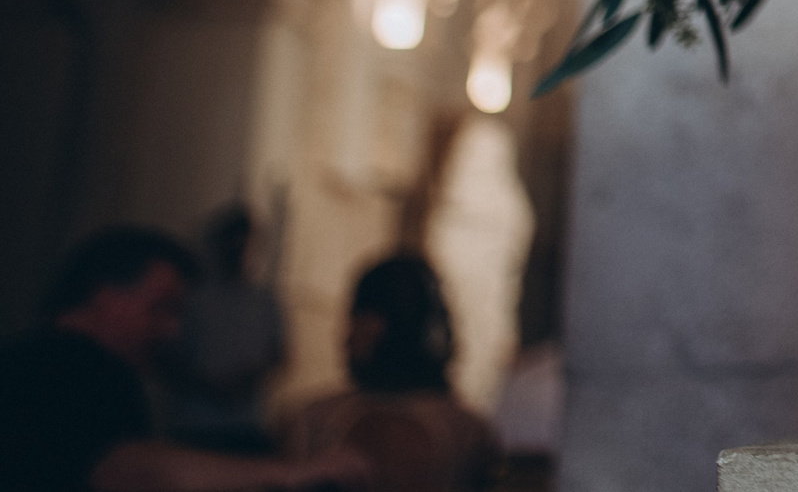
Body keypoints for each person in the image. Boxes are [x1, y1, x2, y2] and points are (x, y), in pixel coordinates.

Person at [0, 225, 367, 492]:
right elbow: (127, 471)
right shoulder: (81, 366)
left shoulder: (32, 358)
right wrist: (294, 473)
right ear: (105, 296)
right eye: (159, 308)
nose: (170, 330)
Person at [281, 258, 495, 492]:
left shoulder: (314, 422)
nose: (345, 338)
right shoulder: (470, 431)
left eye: (356, 320)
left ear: (378, 327)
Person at [166, 208, 287, 453]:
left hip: (245, 422)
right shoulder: (195, 298)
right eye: (231, 239)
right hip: (194, 422)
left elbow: (278, 353)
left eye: (243, 240)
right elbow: (167, 354)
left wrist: (246, 380)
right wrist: (208, 386)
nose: (237, 248)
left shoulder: (264, 301)